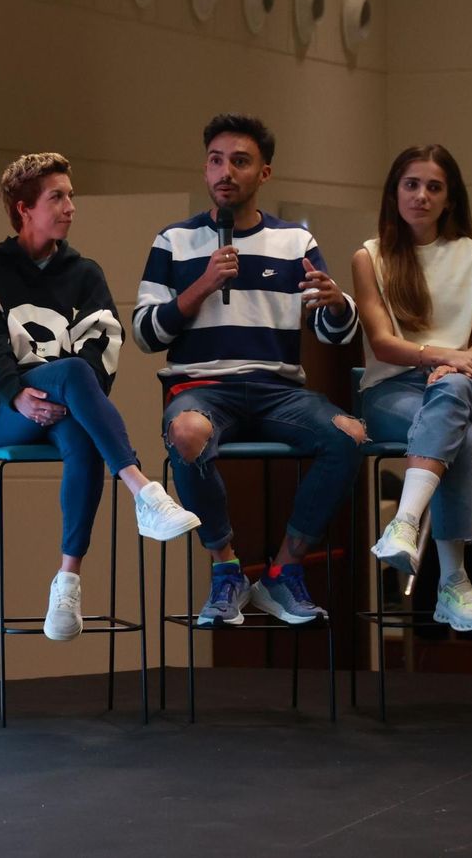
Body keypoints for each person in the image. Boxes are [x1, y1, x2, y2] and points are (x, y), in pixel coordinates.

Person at [134, 114, 366, 627]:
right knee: (187, 433)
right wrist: (200, 286)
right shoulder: (173, 241)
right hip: (202, 388)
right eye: (216, 161)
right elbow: (146, 334)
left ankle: (283, 571)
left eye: (240, 162)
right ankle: (227, 571)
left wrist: (335, 304)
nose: (226, 172)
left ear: (264, 174)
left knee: (348, 434)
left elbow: (333, 333)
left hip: (278, 389)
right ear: (205, 170)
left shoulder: (294, 243)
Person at [0, 153, 200, 641]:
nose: (71, 206)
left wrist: (72, 398)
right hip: (9, 411)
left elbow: (104, 345)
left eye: (71, 195)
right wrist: (18, 395)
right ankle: (143, 491)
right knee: (69, 370)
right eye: (58, 197)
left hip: (69, 404)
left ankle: (66, 581)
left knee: (84, 431)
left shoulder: (85, 273)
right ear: (24, 208)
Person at [352, 145, 472, 631]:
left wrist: (457, 366)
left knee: (454, 393)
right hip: (392, 389)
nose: (421, 195)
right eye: (411, 185)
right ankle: (454, 584)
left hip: (463, 385)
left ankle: (405, 523)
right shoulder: (369, 257)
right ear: (395, 192)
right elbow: (383, 343)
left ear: (449, 198)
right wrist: (443, 356)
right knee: (466, 440)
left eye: (434, 187)